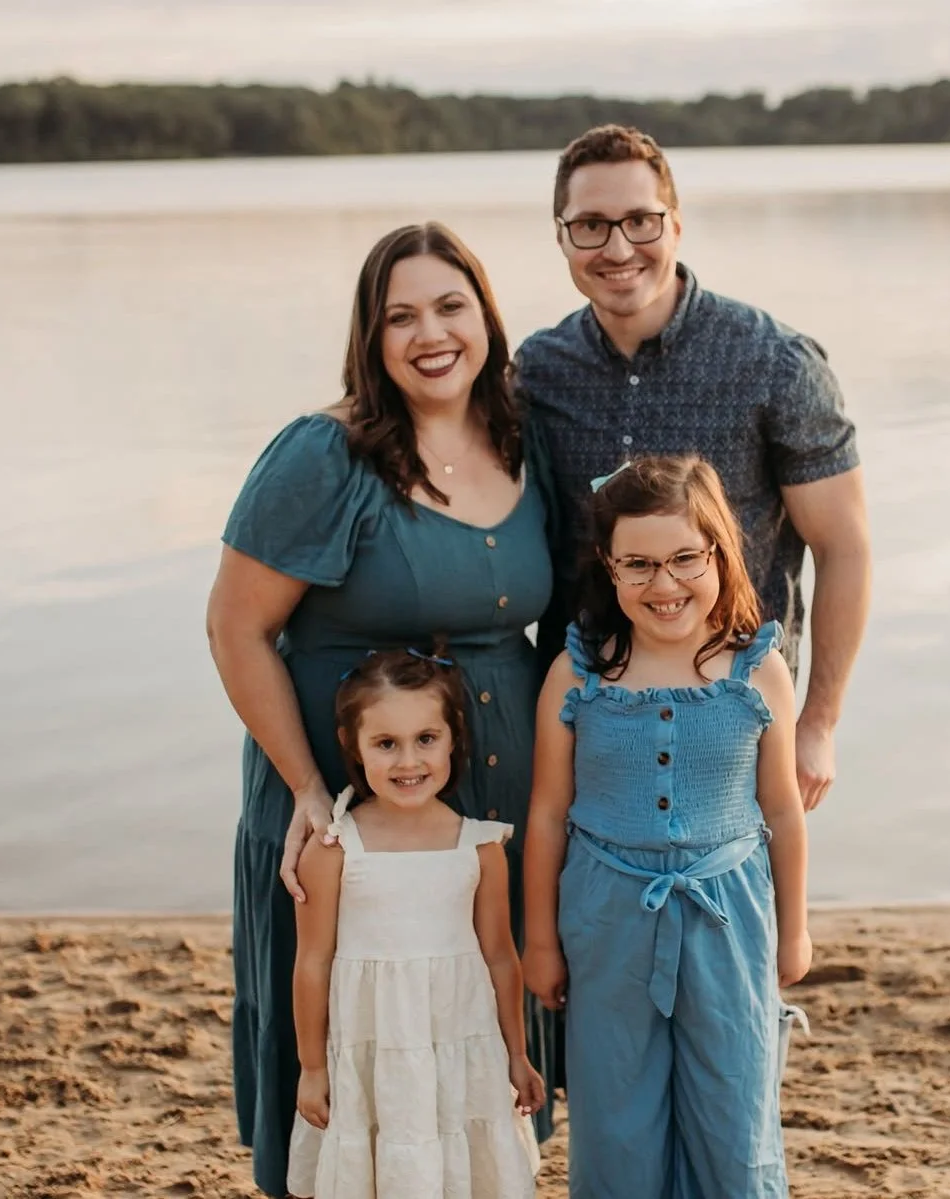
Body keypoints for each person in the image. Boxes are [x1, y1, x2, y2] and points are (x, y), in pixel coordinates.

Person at [206, 222, 559, 1197]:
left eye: (450, 305)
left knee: (472, 1030)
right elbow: (236, 629)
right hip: (348, 796)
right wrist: (310, 793)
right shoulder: (325, 454)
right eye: (400, 315)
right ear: (371, 335)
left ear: (485, 314)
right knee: (345, 1034)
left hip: (492, 800)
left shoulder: (526, 440)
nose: (429, 333)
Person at [516, 124, 871, 811]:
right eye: (590, 225)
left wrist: (818, 723)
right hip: (587, 727)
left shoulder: (775, 363)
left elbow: (844, 546)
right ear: (561, 237)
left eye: (641, 221)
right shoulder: (537, 371)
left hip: (735, 728)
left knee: (745, 917)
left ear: (675, 225)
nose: (618, 248)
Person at [523, 455, 810, 1198]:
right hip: (606, 910)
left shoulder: (757, 670)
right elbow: (548, 813)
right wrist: (542, 938)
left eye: (687, 558)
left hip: (729, 910)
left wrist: (795, 925)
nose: (665, 582)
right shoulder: (580, 674)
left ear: (719, 550)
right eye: (640, 564)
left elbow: (781, 807)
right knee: (615, 1107)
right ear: (608, 567)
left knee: (734, 1104)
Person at [287, 647, 544, 1198]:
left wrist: (517, 1056)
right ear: (351, 745)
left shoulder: (480, 846)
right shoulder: (335, 849)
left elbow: (500, 957)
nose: (408, 762)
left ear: (454, 737)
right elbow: (312, 962)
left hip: (460, 1042)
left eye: (426, 739)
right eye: (386, 744)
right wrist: (312, 1067)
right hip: (373, 1046)